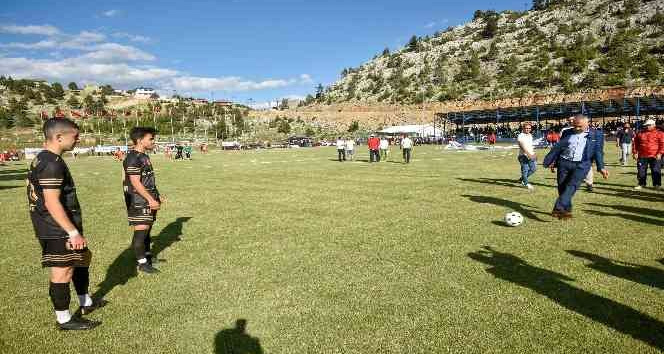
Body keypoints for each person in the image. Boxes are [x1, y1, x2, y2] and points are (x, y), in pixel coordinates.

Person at [27, 118, 104, 330]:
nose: (78, 139)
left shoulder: (45, 158)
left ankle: (85, 301)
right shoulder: (52, 163)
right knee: (62, 271)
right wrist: (72, 232)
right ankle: (64, 319)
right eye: (75, 136)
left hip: (60, 224)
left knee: (83, 258)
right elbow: (51, 201)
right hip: (56, 227)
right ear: (59, 137)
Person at [543, 114, 609, 219]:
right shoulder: (567, 132)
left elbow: (598, 152)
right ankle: (566, 211)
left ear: (587, 124)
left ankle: (558, 207)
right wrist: (553, 161)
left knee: (572, 186)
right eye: (575, 126)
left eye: (580, 126)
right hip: (564, 163)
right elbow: (559, 148)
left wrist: (601, 167)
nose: (577, 128)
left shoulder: (597, 135)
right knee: (562, 187)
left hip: (582, 165)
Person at [123, 127, 161, 274]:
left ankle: (147, 256)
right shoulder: (133, 158)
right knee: (141, 232)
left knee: (147, 229)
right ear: (139, 140)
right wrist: (150, 199)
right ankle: (142, 263)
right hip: (139, 200)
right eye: (151, 138)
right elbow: (135, 183)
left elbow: (148, 179)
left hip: (148, 197)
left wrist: (157, 195)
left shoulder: (144, 156)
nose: (153, 141)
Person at [632, 119, 663, 190]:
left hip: (655, 155)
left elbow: (662, 144)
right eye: (646, 125)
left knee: (656, 170)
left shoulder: (659, 133)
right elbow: (635, 144)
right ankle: (641, 184)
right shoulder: (639, 133)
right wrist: (635, 152)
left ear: (653, 125)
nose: (646, 127)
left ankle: (657, 185)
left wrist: (660, 153)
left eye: (648, 125)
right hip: (642, 155)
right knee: (641, 171)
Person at [517, 123, 537, 191]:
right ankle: (525, 183)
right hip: (523, 156)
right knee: (525, 170)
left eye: (529, 128)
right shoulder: (520, 135)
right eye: (526, 128)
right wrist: (528, 154)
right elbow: (521, 146)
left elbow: (530, 146)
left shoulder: (530, 135)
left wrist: (533, 153)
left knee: (533, 169)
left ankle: (522, 179)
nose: (528, 129)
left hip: (531, 155)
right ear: (523, 128)